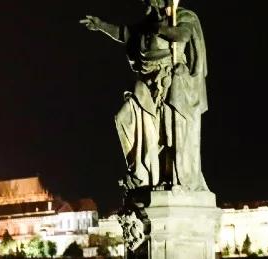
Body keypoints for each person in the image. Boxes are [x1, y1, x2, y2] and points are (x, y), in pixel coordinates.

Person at [81, 0, 208, 191]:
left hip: (171, 80)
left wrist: (160, 28)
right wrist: (101, 25)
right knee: (124, 118)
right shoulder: (145, 24)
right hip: (147, 82)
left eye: (148, 2)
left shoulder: (181, 16)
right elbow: (124, 33)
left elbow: (183, 35)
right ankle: (141, 173)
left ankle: (173, 178)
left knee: (170, 132)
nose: (144, 5)